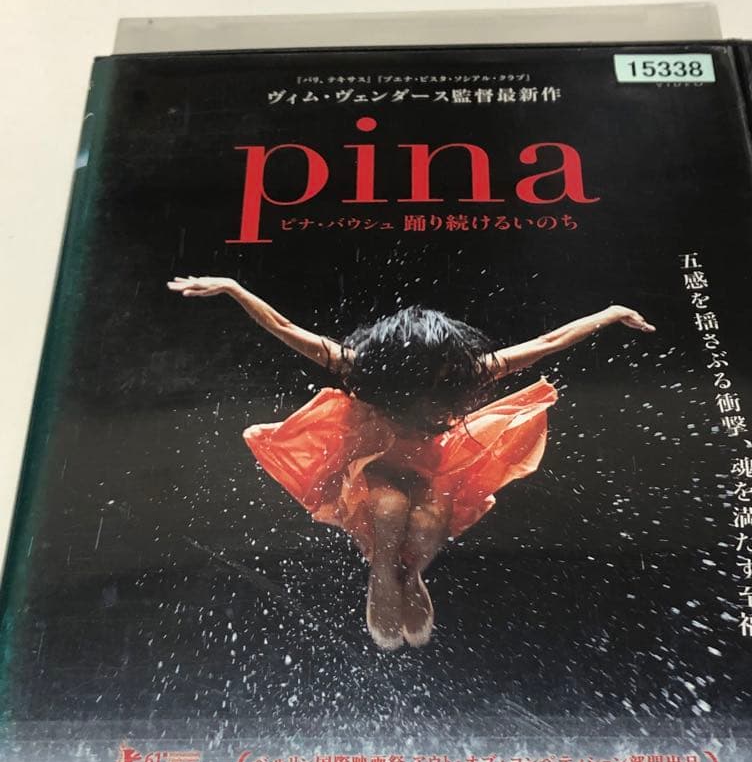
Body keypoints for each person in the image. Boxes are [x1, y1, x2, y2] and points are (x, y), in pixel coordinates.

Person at [167, 275, 654, 650]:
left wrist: (609, 313)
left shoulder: (467, 371)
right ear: (397, 363)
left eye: (442, 367)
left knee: (426, 523)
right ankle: (382, 569)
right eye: (427, 368)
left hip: (434, 467)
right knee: (388, 509)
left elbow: (548, 343)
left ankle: (409, 572)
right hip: (371, 462)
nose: (437, 376)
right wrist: (234, 289)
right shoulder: (361, 367)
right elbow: (285, 328)